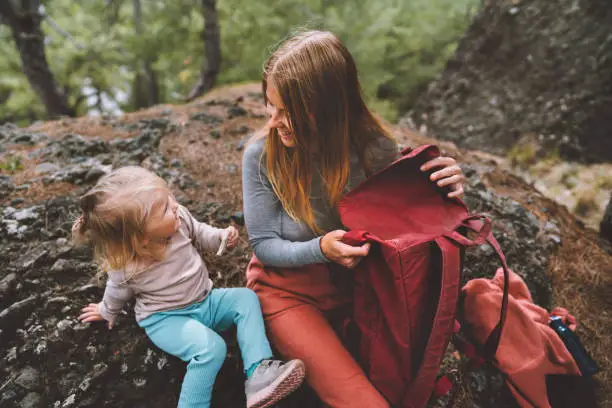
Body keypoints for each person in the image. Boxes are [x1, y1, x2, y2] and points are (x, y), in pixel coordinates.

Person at [242, 30, 465, 407]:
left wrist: (447, 192)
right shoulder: (261, 156)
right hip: (287, 293)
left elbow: (406, 224)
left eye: (289, 111)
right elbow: (263, 246)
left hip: (359, 291)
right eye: (271, 106)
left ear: (330, 107)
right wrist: (321, 250)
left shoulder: (375, 150)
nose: (275, 121)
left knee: (410, 389)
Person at [74, 166, 305, 408]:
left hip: (205, 301)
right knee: (211, 349)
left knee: (245, 299)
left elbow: (200, 233)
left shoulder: (179, 219)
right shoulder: (127, 266)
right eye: (164, 208)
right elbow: (116, 292)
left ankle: (258, 373)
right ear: (140, 237)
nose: (173, 205)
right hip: (166, 319)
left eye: (169, 197)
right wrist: (106, 310)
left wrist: (220, 237)